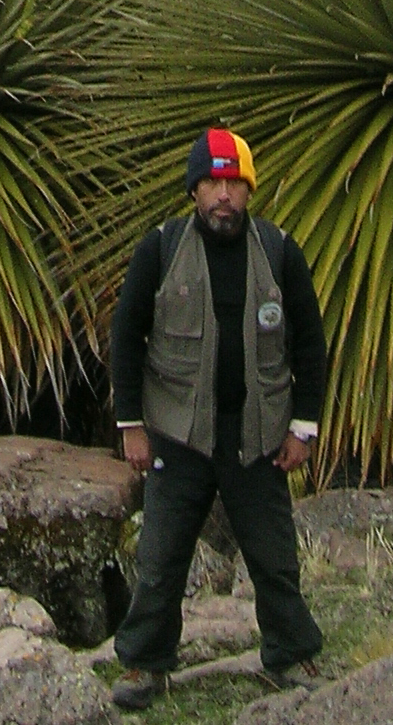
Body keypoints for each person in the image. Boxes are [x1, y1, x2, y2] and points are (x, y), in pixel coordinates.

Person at [109, 125, 327, 708]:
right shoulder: (159, 249)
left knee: (275, 557)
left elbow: (310, 345)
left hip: (257, 437)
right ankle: (143, 667)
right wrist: (131, 425)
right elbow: (126, 338)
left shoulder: (280, 251)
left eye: (233, 181)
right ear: (193, 190)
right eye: (211, 181)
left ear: (250, 190)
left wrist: (302, 428)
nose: (222, 194)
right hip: (179, 436)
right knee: (159, 558)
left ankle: (291, 653)